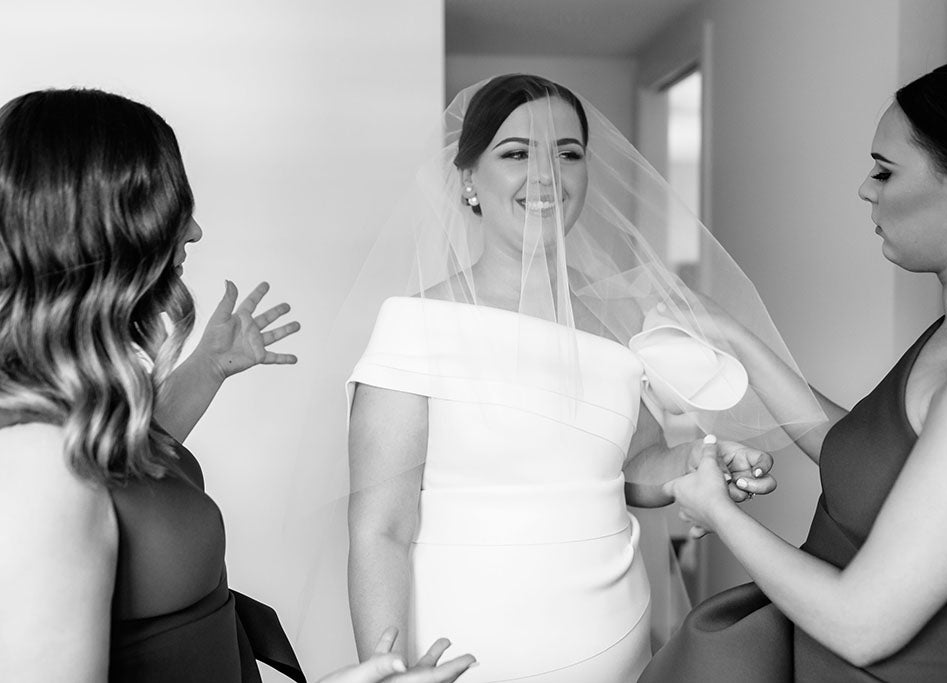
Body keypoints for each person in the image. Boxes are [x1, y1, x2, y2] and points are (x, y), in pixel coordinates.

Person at [331, 74, 824, 682]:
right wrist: (387, 670)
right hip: (464, 648)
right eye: (516, 153)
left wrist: (700, 460)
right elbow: (380, 527)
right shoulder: (417, 326)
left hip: (615, 638)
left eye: (568, 153)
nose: (547, 175)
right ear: (467, 180)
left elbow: (634, 465)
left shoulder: (616, 325)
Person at [0, 88, 473, 683]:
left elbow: (133, 477)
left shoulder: (71, 415)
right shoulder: (33, 467)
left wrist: (207, 368)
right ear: (91, 232)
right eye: (170, 206)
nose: (194, 231)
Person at [642, 46, 947, 683]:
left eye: (885, 171)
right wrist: (733, 336)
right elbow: (863, 458)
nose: (864, 189)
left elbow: (864, 625)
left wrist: (719, 514)